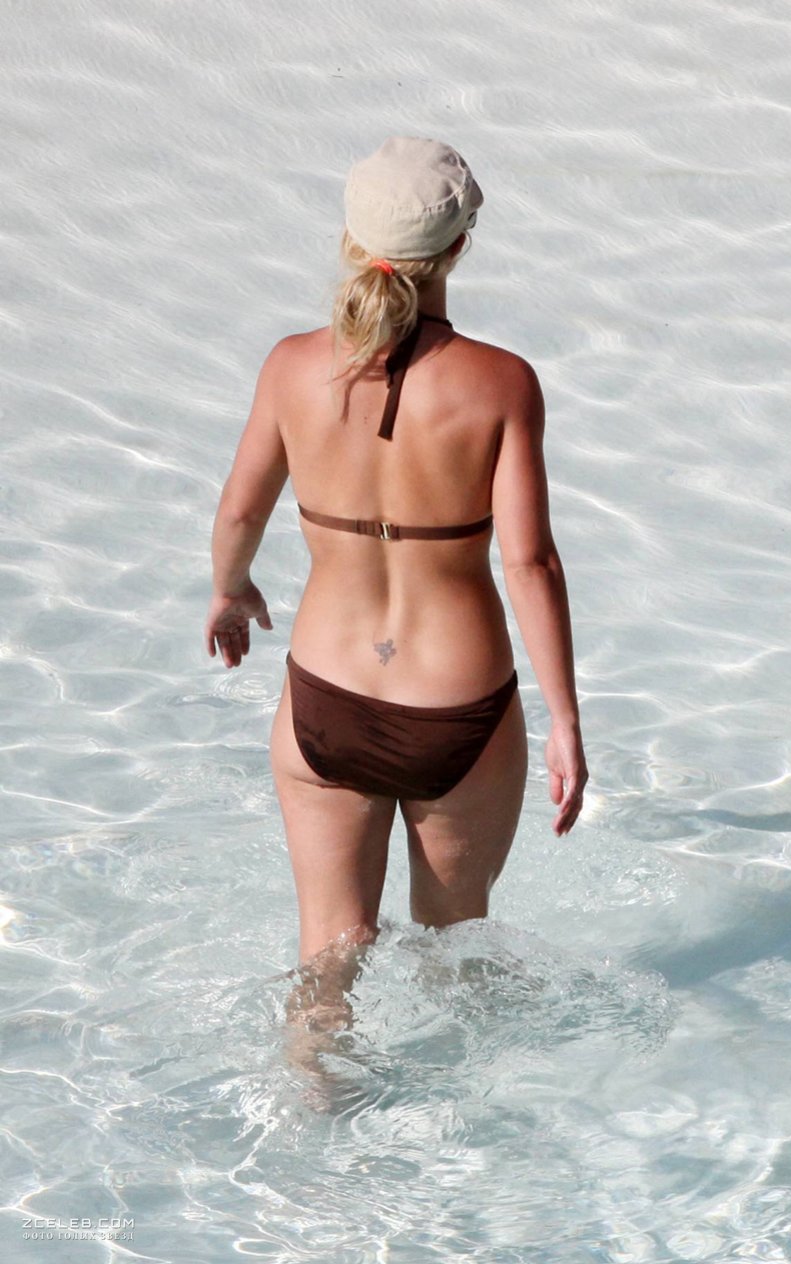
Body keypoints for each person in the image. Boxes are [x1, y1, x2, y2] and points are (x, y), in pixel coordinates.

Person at [205, 136, 588, 990]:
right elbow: (531, 563)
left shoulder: (291, 367)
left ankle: (311, 1077)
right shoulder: (502, 383)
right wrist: (565, 719)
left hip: (325, 698)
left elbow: (238, 513)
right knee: (457, 961)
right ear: (460, 245)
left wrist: (230, 591)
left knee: (326, 962)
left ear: (352, 238)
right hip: (458, 708)